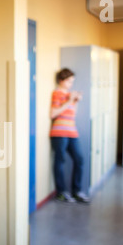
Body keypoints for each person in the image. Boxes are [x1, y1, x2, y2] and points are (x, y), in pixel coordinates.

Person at [50, 68, 90, 203]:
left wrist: (75, 101)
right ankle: (61, 192)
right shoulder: (57, 93)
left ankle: (77, 191)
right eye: (68, 81)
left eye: (72, 81)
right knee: (60, 161)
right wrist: (69, 100)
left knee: (80, 159)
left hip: (72, 131)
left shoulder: (69, 94)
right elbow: (53, 113)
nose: (70, 84)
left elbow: (72, 114)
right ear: (61, 81)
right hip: (59, 132)